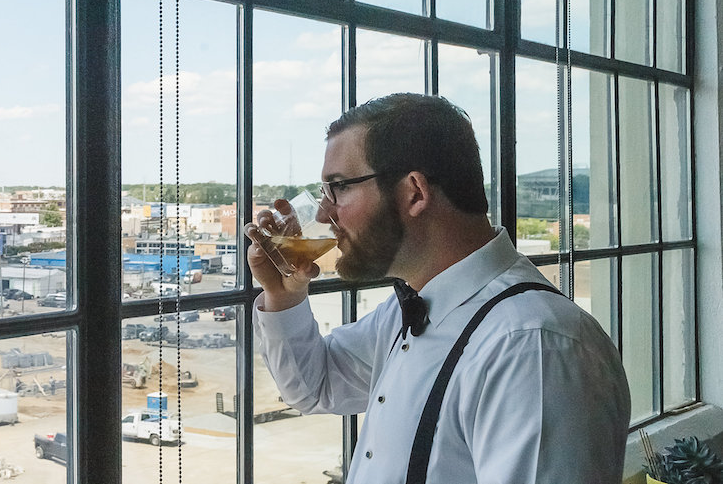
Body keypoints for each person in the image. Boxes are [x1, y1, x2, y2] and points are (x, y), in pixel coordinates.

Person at [247, 93, 630, 484]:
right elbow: (316, 386)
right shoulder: (405, 310)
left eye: (339, 187)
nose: (324, 214)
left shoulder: (534, 347)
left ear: (415, 192)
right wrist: (284, 296)